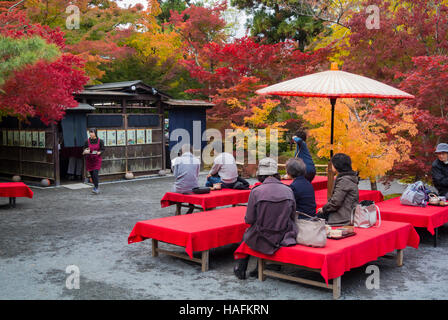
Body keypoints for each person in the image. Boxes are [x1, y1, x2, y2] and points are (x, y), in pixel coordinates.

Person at [234, 157, 297, 280]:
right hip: (283, 234)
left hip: (261, 234)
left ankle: (241, 268)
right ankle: (258, 268)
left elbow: (249, 220)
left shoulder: (256, 191)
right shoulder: (288, 191)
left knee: (248, 235)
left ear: (260, 175)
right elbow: (292, 215)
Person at [317, 153, 359, 226]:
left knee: (314, 220)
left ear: (337, 166)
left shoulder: (344, 180)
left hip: (343, 217)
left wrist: (324, 209)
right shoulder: (348, 177)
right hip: (347, 213)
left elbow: (336, 202)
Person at [171, 144, 200, 213]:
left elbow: (175, 175)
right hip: (193, 188)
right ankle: (191, 207)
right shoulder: (197, 160)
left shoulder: (177, 160)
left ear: (182, 151)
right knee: (192, 183)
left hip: (180, 188)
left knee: (178, 185)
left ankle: (178, 209)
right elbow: (196, 175)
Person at [83, 128, 105, 194]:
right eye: (89, 132)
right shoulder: (86, 141)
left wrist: (100, 152)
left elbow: (103, 149)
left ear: (95, 133)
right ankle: (95, 186)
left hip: (97, 159)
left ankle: (96, 188)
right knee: (92, 175)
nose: (90, 134)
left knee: (95, 173)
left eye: (92, 132)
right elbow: (84, 149)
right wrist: (86, 151)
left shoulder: (100, 141)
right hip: (89, 160)